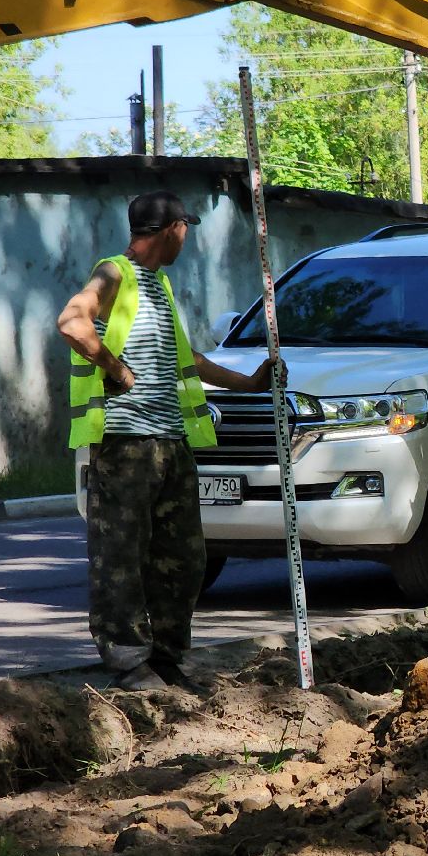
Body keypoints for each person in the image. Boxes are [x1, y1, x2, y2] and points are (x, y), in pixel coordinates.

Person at [57, 191, 281, 691]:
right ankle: (129, 663)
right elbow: (71, 322)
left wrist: (249, 383)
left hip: (169, 441)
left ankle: (166, 658)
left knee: (184, 557)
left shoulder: (158, 285)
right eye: (186, 228)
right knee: (121, 557)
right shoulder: (114, 273)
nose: (187, 237)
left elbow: (188, 359)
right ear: (172, 229)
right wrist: (115, 368)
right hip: (126, 442)